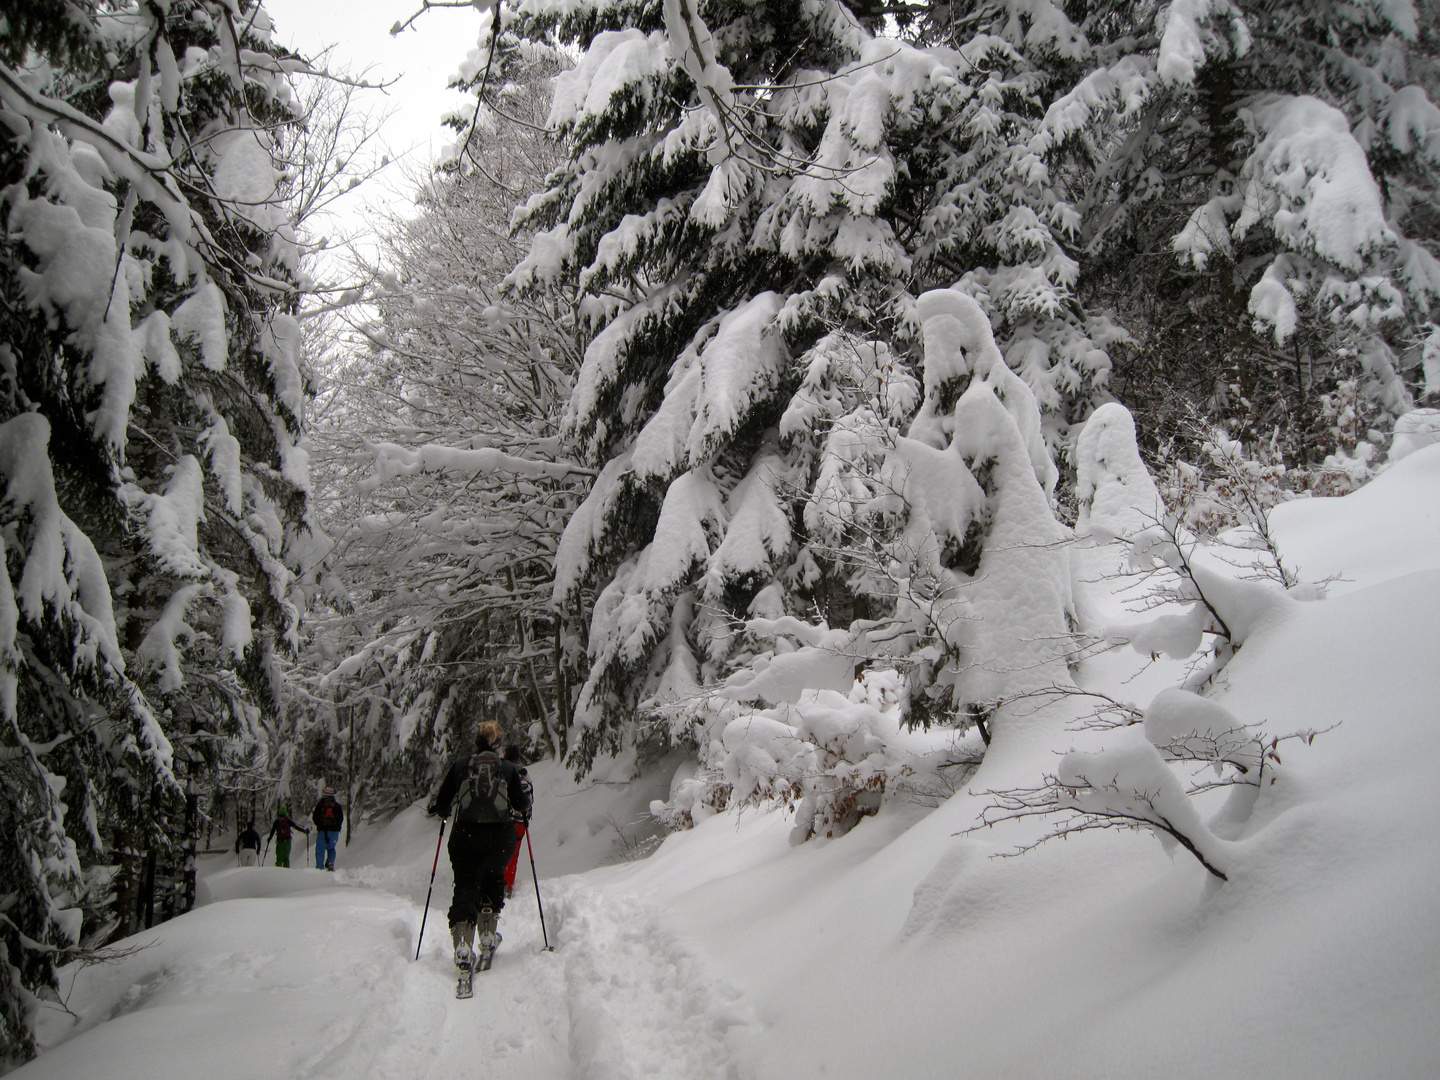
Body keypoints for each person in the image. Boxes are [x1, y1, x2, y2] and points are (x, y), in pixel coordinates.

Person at [428, 719, 531, 972]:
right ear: (498, 743)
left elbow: (442, 805)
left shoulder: (462, 765)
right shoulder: (506, 768)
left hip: (465, 837)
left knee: (466, 884)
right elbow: (520, 805)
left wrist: (443, 812)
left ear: (477, 740)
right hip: (500, 838)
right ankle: (487, 933)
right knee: (494, 879)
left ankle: (463, 942)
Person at [502, 746, 529, 898]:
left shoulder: (504, 773)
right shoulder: (525, 775)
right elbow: (529, 799)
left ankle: (496, 882)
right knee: (513, 854)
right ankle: (507, 884)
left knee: (497, 851)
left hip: (503, 820)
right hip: (520, 822)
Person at [312, 787, 345, 871]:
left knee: (320, 850)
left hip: (323, 831)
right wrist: (337, 828)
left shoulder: (320, 805)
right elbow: (341, 819)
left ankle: (319, 868)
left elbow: (315, 817)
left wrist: (320, 826)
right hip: (334, 832)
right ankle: (330, 863)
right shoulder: (337, 806)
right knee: (331, 848)